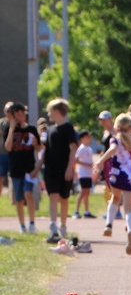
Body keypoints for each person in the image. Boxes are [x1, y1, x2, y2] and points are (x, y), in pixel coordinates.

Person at [93, 114, 131, 255]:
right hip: (130, 174)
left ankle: (109, 224)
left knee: (115, 198)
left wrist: (101, 160)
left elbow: (112, 149)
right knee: (129, 208)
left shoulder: (115, 140)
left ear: (117, 127)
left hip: (116, 173)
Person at [42, 98, 78, 242]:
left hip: (64, 169)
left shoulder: (68, 128)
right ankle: (53, 228)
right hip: (51, 169)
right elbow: (46, 151)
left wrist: (70, 168)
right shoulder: (50, 130)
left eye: (50, 111)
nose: (48, 114)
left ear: (56, 111)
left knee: (64, 198)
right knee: (53, 196)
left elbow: (73, 149)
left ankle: (63, 226)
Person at [4, 102, 40, 234]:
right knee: (18, 199)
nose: (21, 117)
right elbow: (7, 147)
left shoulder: (31, 129)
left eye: (22, 114)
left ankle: (32, 223)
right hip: (15, 169)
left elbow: (39, 148)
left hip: (29, 169)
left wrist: (36, 143)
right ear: (13, 116)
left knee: (28, 194)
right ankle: (22, 226)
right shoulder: (8, 129)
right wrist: (12, 129)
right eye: (17, 115)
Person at [73, 130, 97, 219]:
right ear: (82, 139)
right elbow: (76, 160)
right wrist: (87, 165)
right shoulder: (81, 148)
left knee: (87, 193)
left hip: (88, 174)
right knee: (82, 192)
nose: (89, 139)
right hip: (83, 173)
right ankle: (76, 211)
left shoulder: (89, 149)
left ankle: (87, 211)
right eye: (87, 137)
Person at [0, 102, 14, 198]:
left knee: (13, 177)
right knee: (1, 176)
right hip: (2, 153)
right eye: (7, 110)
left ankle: (13, 198)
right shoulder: (1, 123)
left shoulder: (17, 123)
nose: (9, 113)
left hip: (14, 154)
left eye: (11, 110)